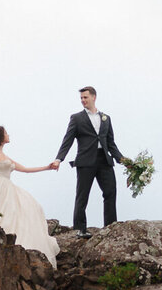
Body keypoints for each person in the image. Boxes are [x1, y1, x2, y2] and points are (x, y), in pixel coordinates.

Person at [0, 126, 61, 267]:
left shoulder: (5, 156)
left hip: (8, 187)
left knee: (32, 208)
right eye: (5, 133)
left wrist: (47, 167)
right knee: (3, 216)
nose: (8, 135)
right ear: (0, 136)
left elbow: (25, 169)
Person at [54, 86, 129, 238]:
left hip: (104, 160)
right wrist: (58, 159)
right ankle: (80, 229)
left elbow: (111, 143)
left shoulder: (106, 118)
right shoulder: (76, 118)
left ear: (94, 97)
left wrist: (123, 160)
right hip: (85, 161)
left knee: (110, 192)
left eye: (85, 97)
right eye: (81, 98)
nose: (83, 100)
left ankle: (110, 227)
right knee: (82, 196)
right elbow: (67, 140)